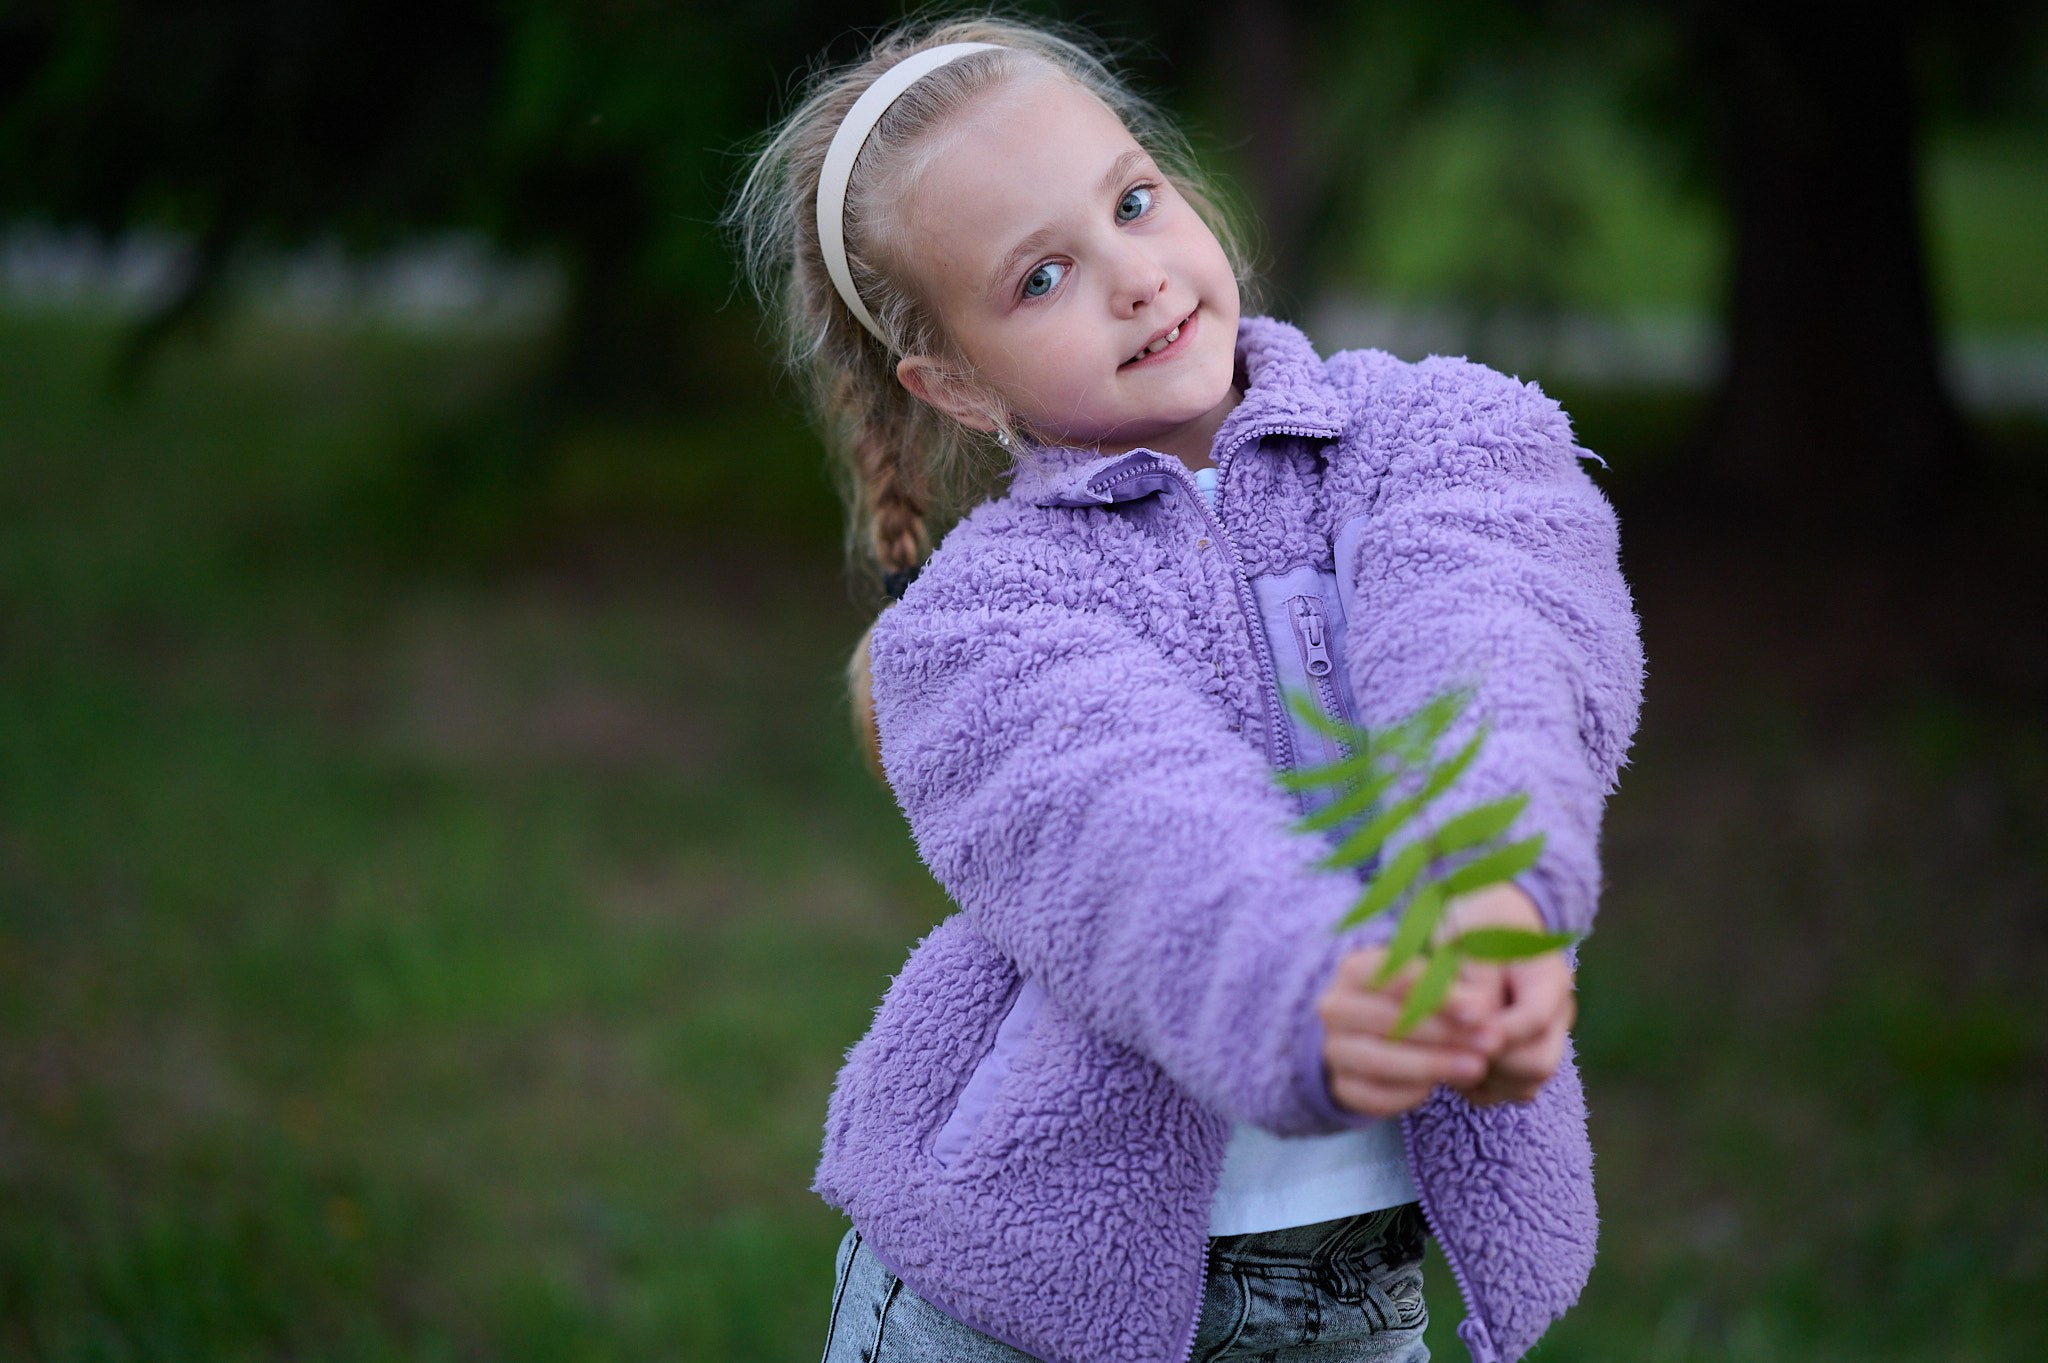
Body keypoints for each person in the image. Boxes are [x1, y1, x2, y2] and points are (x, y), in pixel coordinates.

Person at [728, 14, 1643, 1363]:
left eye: (1134, 202)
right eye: (1041, 277)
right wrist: (1309, 989)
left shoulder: (1438, 436)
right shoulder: (988, 614)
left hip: (1347, 1287)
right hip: (1016, 1292)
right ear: (955, 385)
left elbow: (1496, 641)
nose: (1135, 279)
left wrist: (1488, 890)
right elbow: (1128, 819)